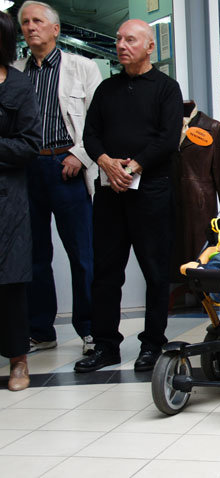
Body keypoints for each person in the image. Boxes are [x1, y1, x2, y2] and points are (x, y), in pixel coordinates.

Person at [74, 19, 183, 373]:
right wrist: (106, 163)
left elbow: (168, 139)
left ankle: (152, 344)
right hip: (110, 193)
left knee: (155, 271)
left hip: (151, 191)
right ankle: (105, 344)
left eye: (130, 39)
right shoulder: (107, 89)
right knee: (105, 271)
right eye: (119, 39)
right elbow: (90, 136)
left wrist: (132, 167)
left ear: (149, 46)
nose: (121, 45)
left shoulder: (167, 88)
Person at [15, 1, 102, 355]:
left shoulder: (83, 67)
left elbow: (98, 121)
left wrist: (79, 156)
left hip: (67, 168)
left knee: (83, 254)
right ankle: (41, 329)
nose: (30, 27)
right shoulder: (15, 72)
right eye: (24, 22)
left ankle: (91, 328)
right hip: (27, 170)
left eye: (37, 21)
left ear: (55, 29)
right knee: (34, 255)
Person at [0, 10, 42, 391]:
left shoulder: (17, 85)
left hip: (7, 198)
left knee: (11, 280)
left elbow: (30, 144)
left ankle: (18, 361)